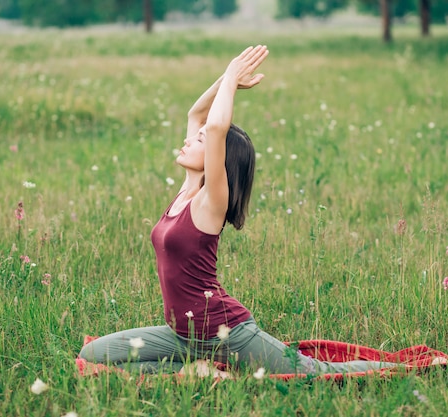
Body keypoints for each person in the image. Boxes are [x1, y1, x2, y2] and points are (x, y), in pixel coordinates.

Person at [78, 45, 398, 377]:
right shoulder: (187, 191)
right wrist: (226, 79)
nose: (189, 141)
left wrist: (231, 80)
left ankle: (413, 368)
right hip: (182, 335)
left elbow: (215, 129)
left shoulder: (211, 201)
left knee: (313, 371)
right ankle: (200, 370)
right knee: (93, 354)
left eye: (199, 142)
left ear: (218, 157)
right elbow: (196, 115)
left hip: (225, 331)